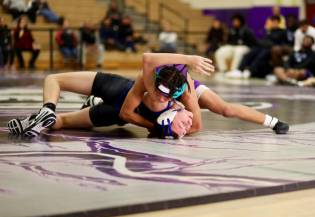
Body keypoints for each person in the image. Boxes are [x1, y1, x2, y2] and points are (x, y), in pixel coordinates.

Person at [7, 53, 289, 138]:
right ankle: (48, 113)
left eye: (168, 99)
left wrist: (168, 123)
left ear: (177, 99)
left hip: (183, 88)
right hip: (123, 105)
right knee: (58, 86)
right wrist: (155, 126)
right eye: (158, 94)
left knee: (224, 109)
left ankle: (271, 121)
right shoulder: (145, 81)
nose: (162, 99)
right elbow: (127, 113)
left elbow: (198, 126)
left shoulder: (187, 93)